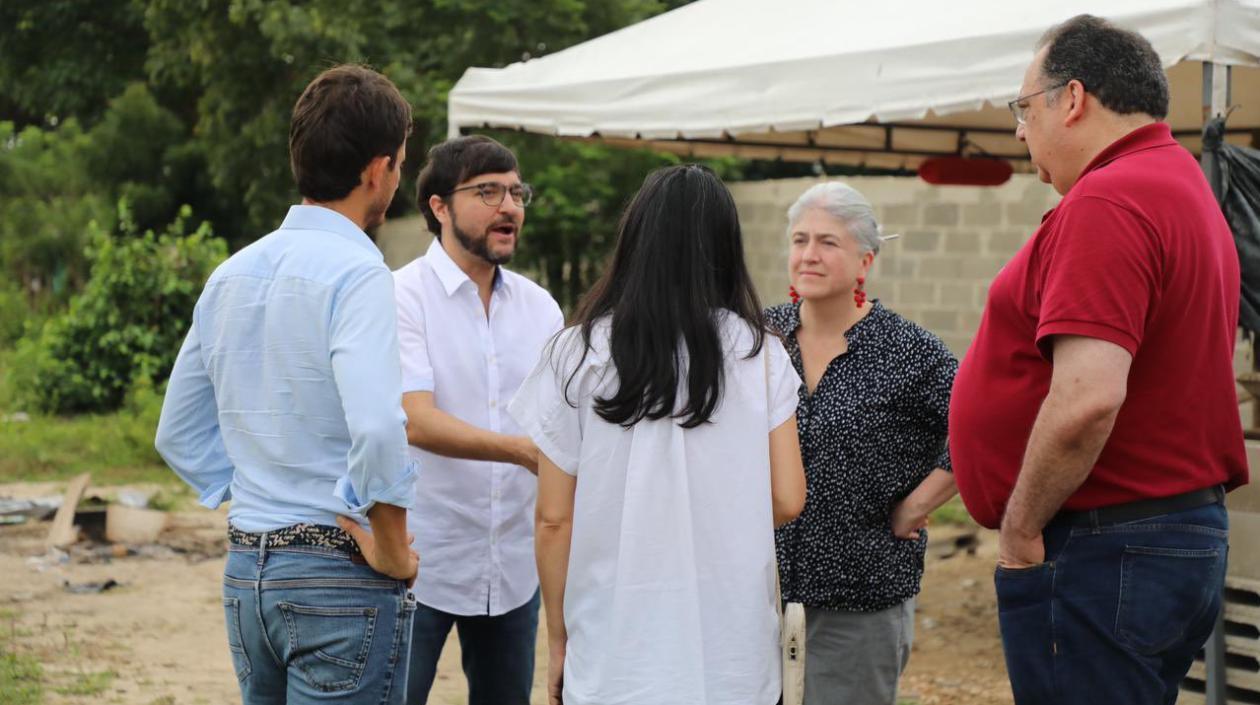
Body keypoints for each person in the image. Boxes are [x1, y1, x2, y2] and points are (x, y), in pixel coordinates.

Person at [949, 15, 1249, 705]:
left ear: (1073, 99)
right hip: (1158, 536)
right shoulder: (1178, 185)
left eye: (1024, 108)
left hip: (1103, 543)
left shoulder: (1110, 197)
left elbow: (1088, 396)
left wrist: (1021, 527)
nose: (1021, 131)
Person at [154, 65, 419, 705]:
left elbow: (177, 432)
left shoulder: (231, 274)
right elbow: (380, 426)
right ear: (378, 169)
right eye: (402, 163)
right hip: (339, 573)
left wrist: (255, 489)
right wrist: (392, 548)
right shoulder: (360, 272)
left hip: (249, 571)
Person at [509, 164, 807, 705]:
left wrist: (560, 639)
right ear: (725, 246)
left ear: (635, 239)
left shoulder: (574, 353)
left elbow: (554, 518)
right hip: (732, 659)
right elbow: (788, 497)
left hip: (612, 658)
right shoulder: (760, 353)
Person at [766, 182, 958, 705]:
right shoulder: (757, 339)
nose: (808, 254)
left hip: (860, 596)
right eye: (800, 239)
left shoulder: (908, 351)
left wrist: (918, 505)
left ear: (864, 260)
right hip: (756, 593)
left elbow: (981, 427)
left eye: (828, 242)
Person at [395, 135, 564, 705]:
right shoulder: (402, 296)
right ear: (438, 206)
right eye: (488, 191)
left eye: (517, 193)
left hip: (514, 564)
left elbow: (562, 420)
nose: (509, 207)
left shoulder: (542, 309)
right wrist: (521, 451)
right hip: (421, 558)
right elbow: (415, 420)